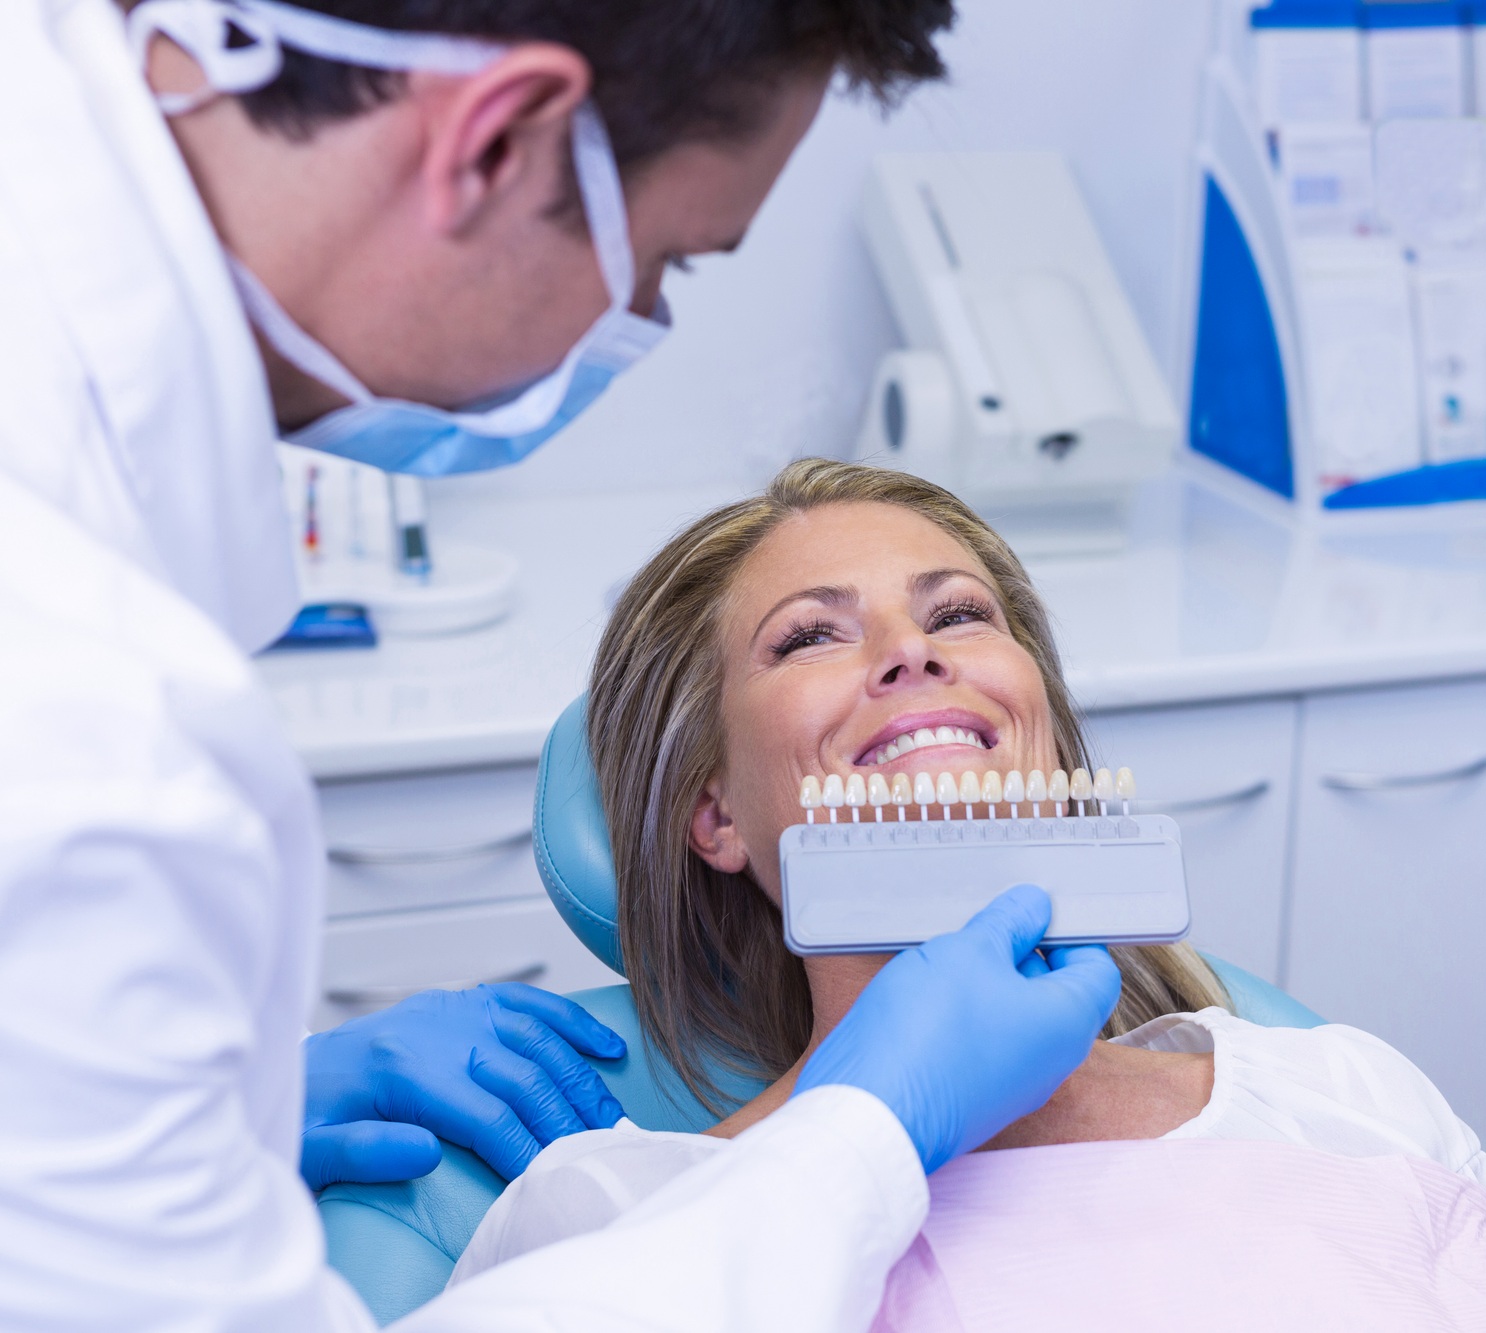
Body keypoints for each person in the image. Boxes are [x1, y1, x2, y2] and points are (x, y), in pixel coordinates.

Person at [0, 2, 1128, 1329]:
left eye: (962, 614)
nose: (642, 313)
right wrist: (858, 1128)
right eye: (672, 263)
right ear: (493, 144)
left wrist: (215, 1092)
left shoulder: (1328, 1089)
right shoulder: (80, 726)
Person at [444, 459, 1486, 1293]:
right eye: (808, 637)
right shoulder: (604, 1216)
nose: (911, 652)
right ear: (713, 812)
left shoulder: (1345, 1095)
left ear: (1047, 737)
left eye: (958, 614)